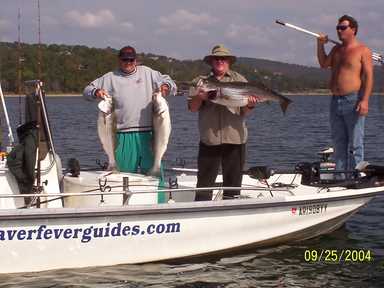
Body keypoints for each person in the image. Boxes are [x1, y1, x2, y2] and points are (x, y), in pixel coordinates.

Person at [83, 45, 177, 176]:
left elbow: (170, 82)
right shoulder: (109, 77)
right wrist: (96, 91)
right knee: (122, 179)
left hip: (149, 135)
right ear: (119, 60)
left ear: (136, 60)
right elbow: (86, 91)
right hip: (122, 136)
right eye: (124, 60)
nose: (128, 63)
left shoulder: (148, 73)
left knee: (154, 177)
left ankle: (157, 195)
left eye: (131, 60)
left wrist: (166, 86)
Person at [188, 44, 258, 201]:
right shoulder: (200, 82)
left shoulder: (240, 80)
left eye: (223, 59)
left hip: (235, 139)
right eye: (216, 59)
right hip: (209, 139)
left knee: (233, 185)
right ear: (211, 62)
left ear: (229, 62)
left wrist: (251, 105)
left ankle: (231, 215)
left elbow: (244, 112)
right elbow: (192, 108)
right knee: (204, 185)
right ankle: (201, 214)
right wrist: (199, 97)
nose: (220, 61)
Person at [317, 15, 373, 174]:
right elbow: (323, 64)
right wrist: (320, 45)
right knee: (339, 143)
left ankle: (357, 176)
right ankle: (340, 177)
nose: (339, 30)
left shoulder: (363, 50)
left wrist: (365, 100)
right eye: (338, 28)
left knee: (355, 144)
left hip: (353, 100)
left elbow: (369, 77)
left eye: (343, 27)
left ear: (353, 29)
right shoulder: (336, 49)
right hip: (335, 101)